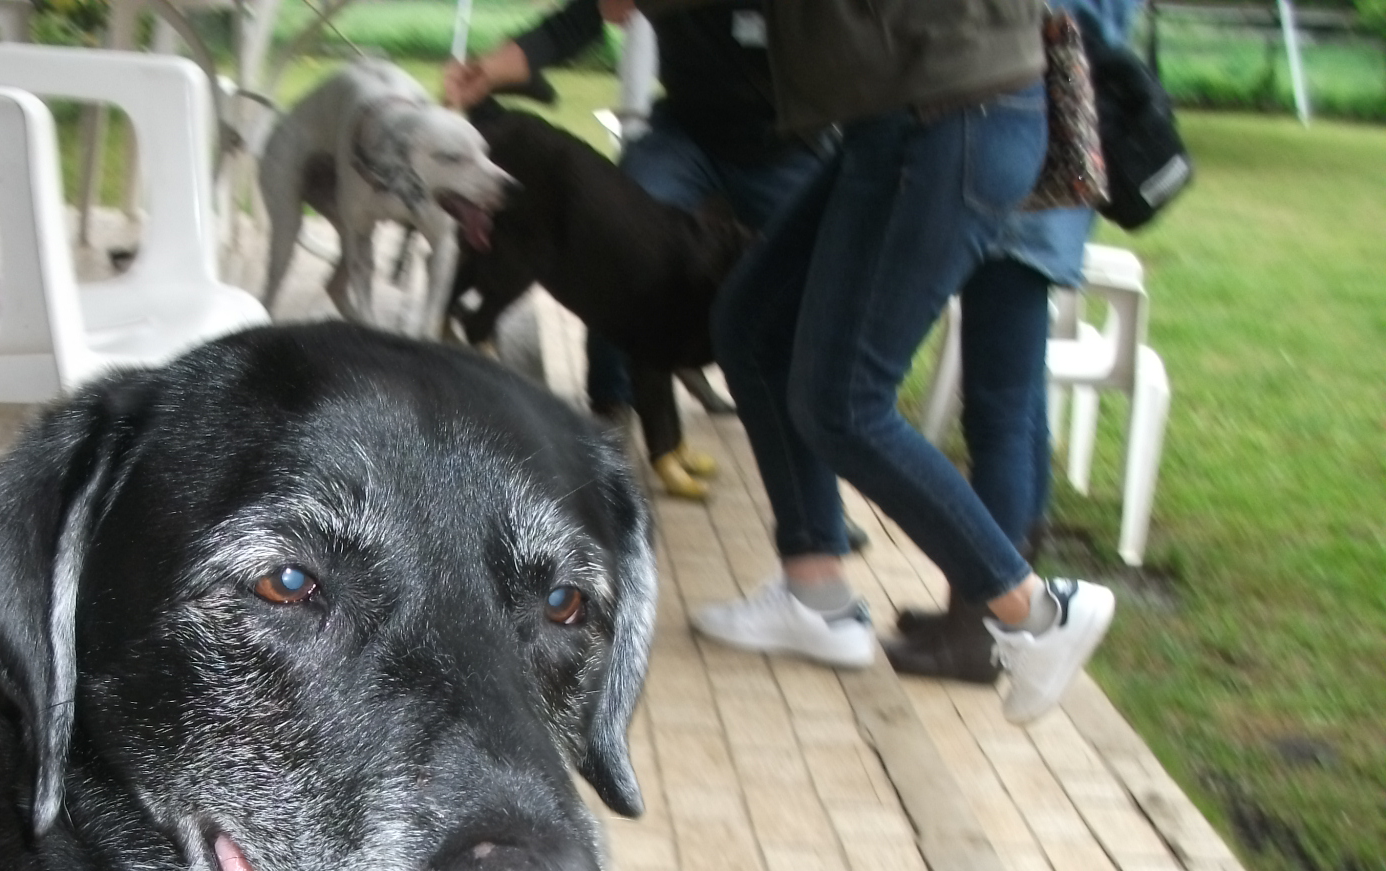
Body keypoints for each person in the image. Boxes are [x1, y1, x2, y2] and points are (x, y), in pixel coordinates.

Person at [689, 0, 1116, 726]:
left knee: (844, 403)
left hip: (950, 117)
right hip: (904, 116)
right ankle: (815, 593)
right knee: (754, 325)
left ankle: (1038, 614)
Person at [445, 0, 828, 500]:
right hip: (688, 137)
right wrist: (489, 71)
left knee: (820, 288)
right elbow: (580, 19)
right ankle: (611, 412)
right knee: (630, 241)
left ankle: (814, 503)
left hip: (788, 149)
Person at [885, 0, 1138, 682]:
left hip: (1027, 183)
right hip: (1053, 180)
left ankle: (986, 627)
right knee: (1018, 404)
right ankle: (994, 604)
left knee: (997, 408)